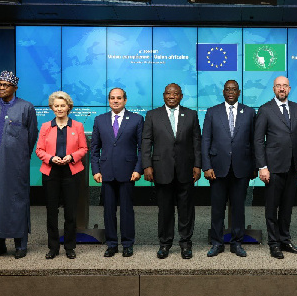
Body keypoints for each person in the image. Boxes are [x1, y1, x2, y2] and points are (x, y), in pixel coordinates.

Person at [142, 83, 201, 260]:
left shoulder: (191, 114)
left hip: (186, 169)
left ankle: (185, 243)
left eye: (175, 93)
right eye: (168, 93)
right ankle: (165, 244)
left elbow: (197, 142)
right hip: (161, 169)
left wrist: (198, 165)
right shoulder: (152, 115)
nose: (172, 96)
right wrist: (147, 165)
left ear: (181, 96)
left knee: (186, 209)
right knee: (165, 210)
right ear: (163, 95)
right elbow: (146, 142)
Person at [0, 71, 38, 259]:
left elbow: (32, 135)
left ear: (15, 88)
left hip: (17, 165)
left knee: (17, 202)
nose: (1, 88)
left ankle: (20, 246)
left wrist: (22, 156)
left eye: (5, 85)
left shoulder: (26, 107)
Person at [202, 80, 256, 258]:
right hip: (217, 169)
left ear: (239, 92)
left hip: (242, 168)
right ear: (223, 92)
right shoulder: (212, 112)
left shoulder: (249, 112)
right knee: (217, 208)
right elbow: (205, 141)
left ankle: (237, 243)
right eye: (228, 89)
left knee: (238, 208)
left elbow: (254, 141)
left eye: (234, 89)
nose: (231, 92)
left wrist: (254, 166)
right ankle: (217, 243)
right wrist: (207, 166)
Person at [254, 76, 297, 259]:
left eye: (285, 86)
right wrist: (262, 166)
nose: (282, 89)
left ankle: (285, 240)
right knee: (272, 208)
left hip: (292, 166)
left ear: (290, 89)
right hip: (273, 167)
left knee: (287, 207)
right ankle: (274, 243)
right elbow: (258, 141)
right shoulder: (265, 110)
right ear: (273, 89)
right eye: (278, 86)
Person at [90, 88, 144, 258]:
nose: (115, 101)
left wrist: (138, 169)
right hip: (106, 172)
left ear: (125, 100)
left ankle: (128, 244)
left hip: (128, 172)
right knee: (108, 210)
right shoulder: (100, 120)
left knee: (127, 210)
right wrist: (96, 170)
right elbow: (94, 149)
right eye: (112, 98)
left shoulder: (136, 119)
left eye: (119, 98)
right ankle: (112, 244)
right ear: (108, 100)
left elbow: (142, 148)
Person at [36, 91, 88, 259]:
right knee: (52, 212)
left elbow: (83, 149)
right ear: (52, 107)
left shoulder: (77, 126)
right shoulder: (45, 126)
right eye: (56, 106)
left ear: (68, 107)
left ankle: (69, 247)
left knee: (70, 212)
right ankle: (53, 247)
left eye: (62, 105)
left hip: (71, 172)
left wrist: (71, 157)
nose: (59, 108)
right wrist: (51, 158)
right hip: (50, 172)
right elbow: (39, 150)